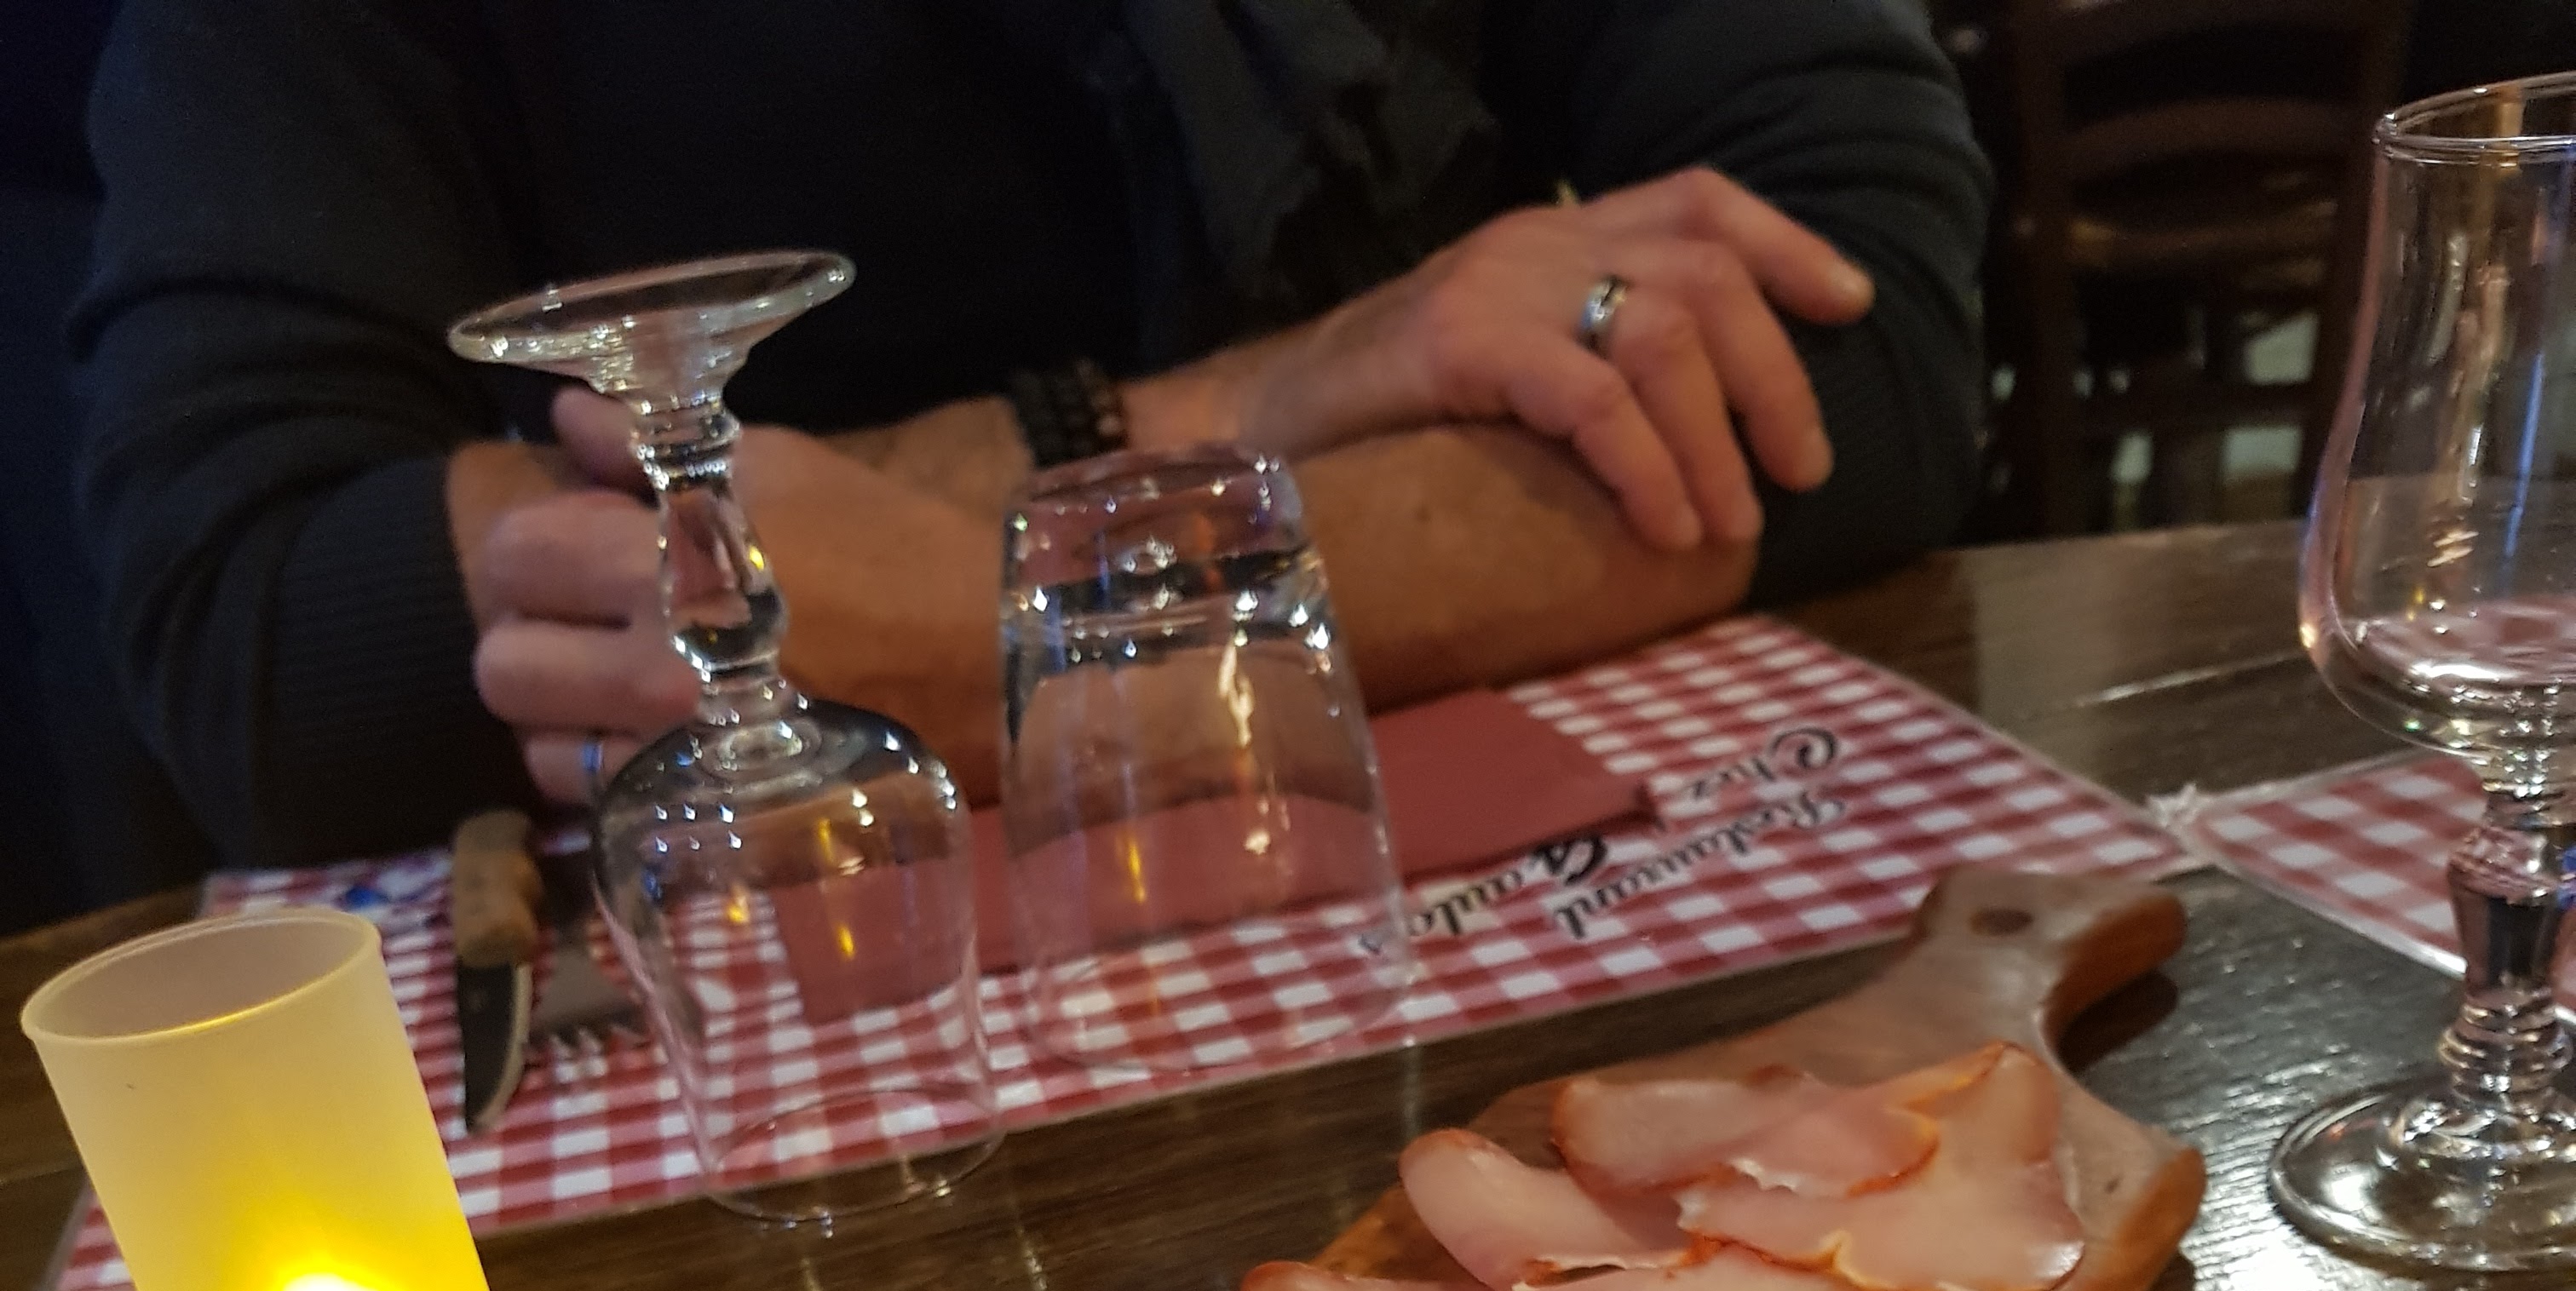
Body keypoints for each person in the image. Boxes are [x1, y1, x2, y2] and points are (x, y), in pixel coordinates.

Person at [75, 0, 1991, 868]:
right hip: (800, 1069)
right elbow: (266, 635)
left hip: (1558, 952)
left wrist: (1047, 656)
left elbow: (1861, 347)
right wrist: (1236, 412)